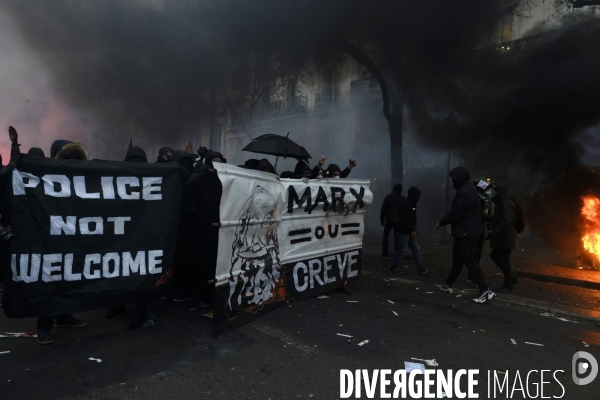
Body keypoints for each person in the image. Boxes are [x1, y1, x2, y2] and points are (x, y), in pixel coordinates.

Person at [36, 138, 89, 344]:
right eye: (68, 158)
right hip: (50, 239)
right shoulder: (44, 178)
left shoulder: (82, 178)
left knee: (69, 280)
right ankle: (44, 326)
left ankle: (64, 316)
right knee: (49, 282)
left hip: (72, 238)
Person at [104, 145, 158, 328]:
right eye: (133, 160)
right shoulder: (118, 176)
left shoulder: (153, 176)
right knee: (118, 269)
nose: (136, 164)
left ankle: (143, 308)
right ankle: (117, 304)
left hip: (143, 231)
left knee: (142, 271)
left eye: (140, 160)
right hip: (121, 230)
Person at [436, 166, 495, 304]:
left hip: (465, 232)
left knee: (470, 261)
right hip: (467, 231)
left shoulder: (464, 192)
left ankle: (485, 290)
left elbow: (456, 213)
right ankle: (448, 285)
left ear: (459, 179)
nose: (452, 183)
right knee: (458, 260)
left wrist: (441, 222)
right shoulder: (470, 190)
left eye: (453, 179)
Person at [187, 151, 225, 310]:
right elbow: (188, 189)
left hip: (221, 228)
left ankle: (213, 295)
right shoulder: (200, 178)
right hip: (202, 228)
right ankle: (200, 295)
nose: (215, 164)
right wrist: (202, 174)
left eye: (219, 161)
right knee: (201, 264)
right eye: (212, 161)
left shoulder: (224, 179)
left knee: (217, 264)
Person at [485, 182, 519, 293]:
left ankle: (508, 285)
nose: (491, 193)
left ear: (499, 192)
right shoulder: (502, 203)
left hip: (506, 238)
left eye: (493, 191)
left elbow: (506, 222)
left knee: (504, 260)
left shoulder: (506, 203)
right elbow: (498, 218)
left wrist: (492, 234)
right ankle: (511, 277)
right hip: (503, 237)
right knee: (495, 256)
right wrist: (486, 217)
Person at [389, 187, 430, 275]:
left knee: (414, 250)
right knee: (403, 250)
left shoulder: (411, 204)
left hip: (407, 231)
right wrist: (412, 229)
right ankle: (393, 266)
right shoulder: (407, 204)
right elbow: (404, 219)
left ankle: (422, 269)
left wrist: (413, 230)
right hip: (404, 231)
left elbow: (409, 219)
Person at [380, 184, 403, 259]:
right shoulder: (403, 199)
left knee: (386, 236)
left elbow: (383, 209)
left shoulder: (388, 197)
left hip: (389, 219)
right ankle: (397, 254)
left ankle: (384, 254)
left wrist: (382, 219)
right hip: (398, 221)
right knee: (397, 238)